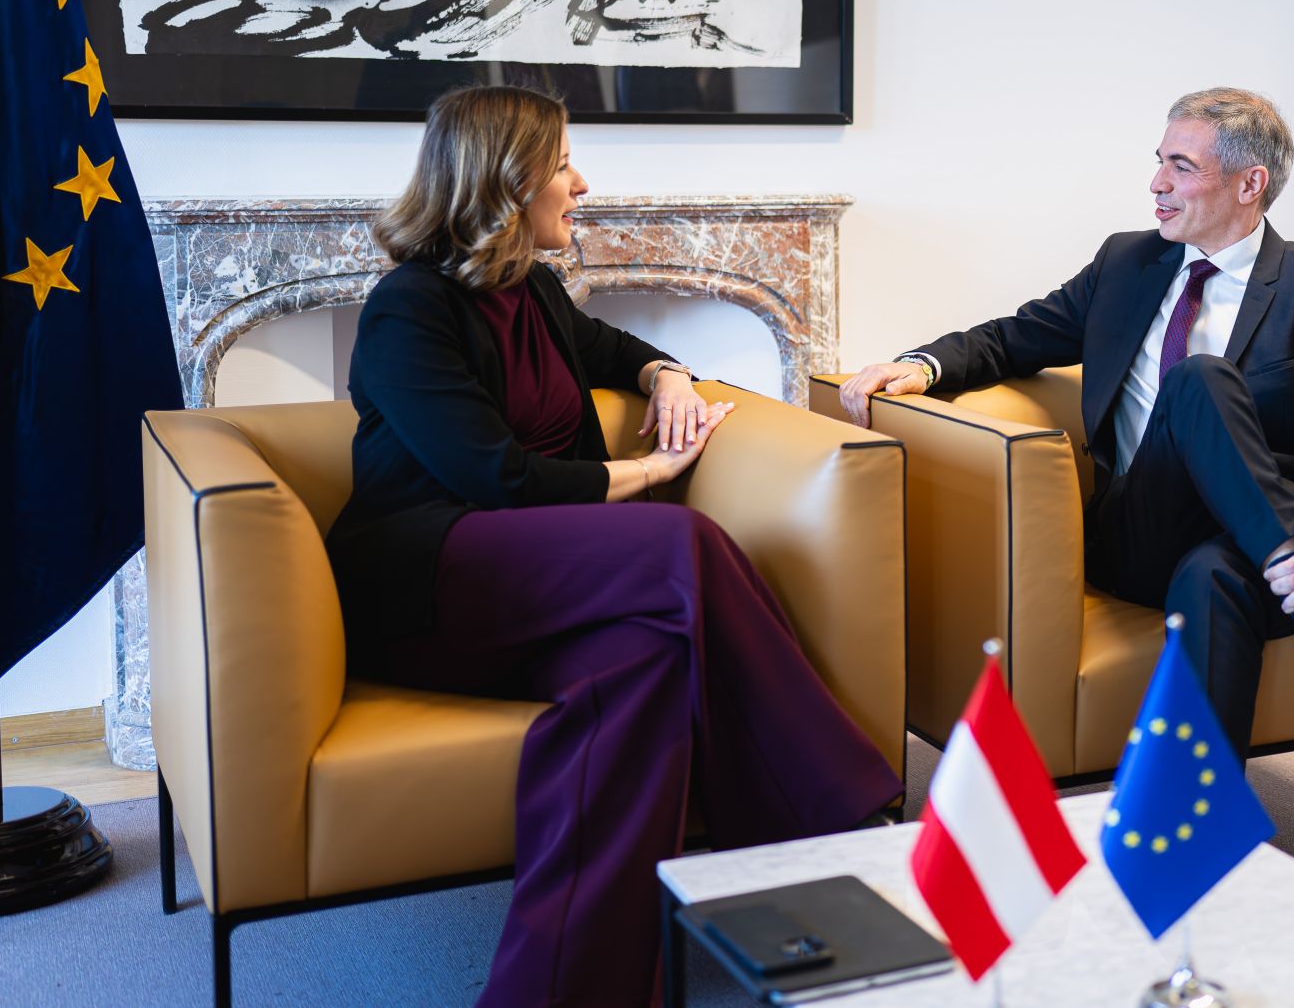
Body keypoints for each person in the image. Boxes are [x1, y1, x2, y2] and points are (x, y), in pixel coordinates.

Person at [326, 85, 901, 1007]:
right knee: (681, 541)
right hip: (433, 582)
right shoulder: (408, 309)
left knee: (640, 669)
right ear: (506, 180)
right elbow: (498, 479)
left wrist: (667, 373)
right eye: (562, 165)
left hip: (544, 584)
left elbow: (610, 348)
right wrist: (651, 471)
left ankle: (563, 987)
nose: (581, 183)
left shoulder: (534, 289)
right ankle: (844, 823)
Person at [838, 88, 1294, 760]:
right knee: (1199, 379)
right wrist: (921, 364)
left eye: (1181, 166)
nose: (1157, 183)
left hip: (1240, 545)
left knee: (1214, 576)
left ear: (1249, 184)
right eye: (1159, 160)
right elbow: (1011, 338)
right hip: (1141, 532)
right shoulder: (1126, 264)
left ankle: (1199, 808)